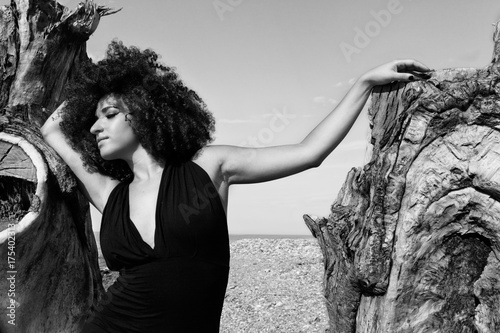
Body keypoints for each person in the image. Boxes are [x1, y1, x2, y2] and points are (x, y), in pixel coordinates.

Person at [41, 40, 430, 332]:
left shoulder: (209, 166)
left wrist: (363, 83)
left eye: (108, 114)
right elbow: (52, 130)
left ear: (142, 111)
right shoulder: (110, 194)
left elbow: (310, 152)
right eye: (91, 119)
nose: (94, 128)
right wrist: (85, 89)